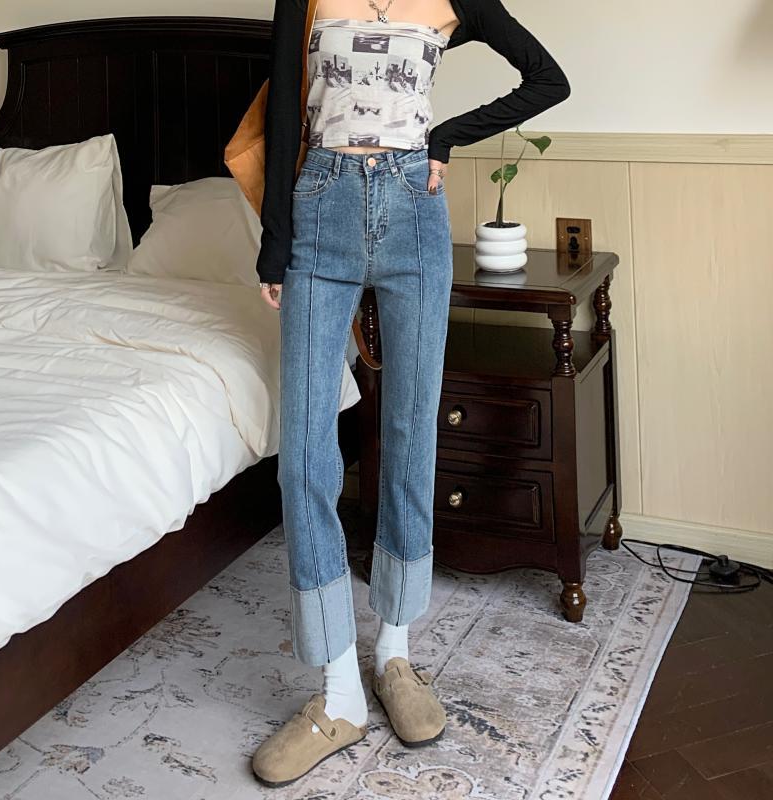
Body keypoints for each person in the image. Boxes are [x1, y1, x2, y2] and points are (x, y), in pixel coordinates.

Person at [251, 0, 570, 786]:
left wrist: (447, 137)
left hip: (413, 214)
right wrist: (274, 246)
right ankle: (338, 691)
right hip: (320, 207)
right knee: (303, 458)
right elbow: (286, 112)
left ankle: (394, 653)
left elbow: (548, 78)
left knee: (409, 434)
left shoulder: (456, 2)